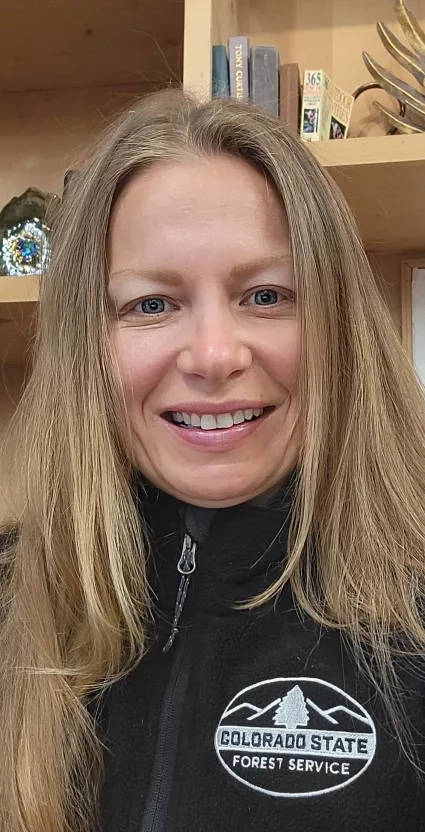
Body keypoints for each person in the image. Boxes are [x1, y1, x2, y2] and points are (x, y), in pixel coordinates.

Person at [1, 87, 425, 832]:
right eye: (151, 305)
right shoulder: (13, 599)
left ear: (337, 327)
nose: (213, 356)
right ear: (86, 349)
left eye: (265, 295)